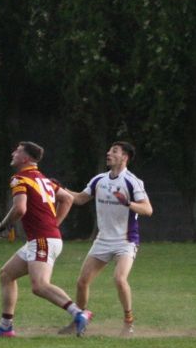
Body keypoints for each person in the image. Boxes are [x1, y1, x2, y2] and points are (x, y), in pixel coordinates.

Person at [0, 141, 90, 338]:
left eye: (17, 151)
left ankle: (79, 313)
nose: (13, 153)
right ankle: (6, 326)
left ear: (25, 158)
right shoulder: (45, 179)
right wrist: (54, 224)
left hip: (42, 239)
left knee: (39, 285)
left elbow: (20, 209)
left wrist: (3, 224)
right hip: (44, 238)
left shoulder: (19, 179)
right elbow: (67, 199)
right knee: (7, 274)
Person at [65, 140, 153, 336]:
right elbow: (79, 198)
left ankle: (128, 321)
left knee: (120, 279)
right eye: (109, 150)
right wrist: (57, 189)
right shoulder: (99, 180)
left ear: (125, 157)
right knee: (82, 282)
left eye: (114, 151)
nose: (108, 153)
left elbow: (148, 209)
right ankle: (78, 320)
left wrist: (127, 203)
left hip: (126, 240)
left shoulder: (132, 181)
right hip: (103, 240)